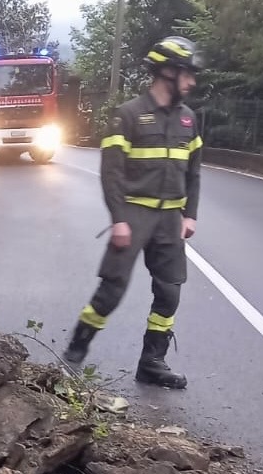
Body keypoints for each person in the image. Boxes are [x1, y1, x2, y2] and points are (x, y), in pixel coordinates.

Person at [62, 36, 205, 389]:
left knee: (170, 292)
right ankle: (76, 350)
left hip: (171, 219)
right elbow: (111, 172)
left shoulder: (189, 120)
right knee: (113, 289)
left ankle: (152, 362)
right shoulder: (127, 115)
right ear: (167, 72)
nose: (192, 82)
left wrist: (191, 214)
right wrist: (119, 218)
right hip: (134, 214)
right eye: (187, 74)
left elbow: (195, 171)